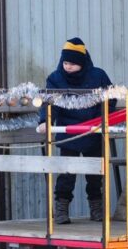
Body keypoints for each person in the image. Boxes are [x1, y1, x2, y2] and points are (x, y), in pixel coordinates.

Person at [45, 38, 113, 224]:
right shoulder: (55, 78)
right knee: (66, 173)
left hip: (94, 130)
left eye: (72, 64)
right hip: (68, 132)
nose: (68, 67)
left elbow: (110, 98)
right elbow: (50, 102)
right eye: (65, 63)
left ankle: (96, 209)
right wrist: (45, 120)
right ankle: (61, 210)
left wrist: (102, 119)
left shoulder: (98, 76)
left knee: (95, 174)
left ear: (82, 63)